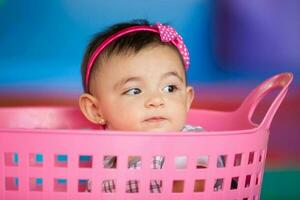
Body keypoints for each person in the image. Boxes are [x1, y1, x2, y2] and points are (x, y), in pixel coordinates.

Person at [78, 19, 222, 193]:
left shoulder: (189, 142)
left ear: (186, 99)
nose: (156, 100)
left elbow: (195, 185)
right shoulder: (104, 160)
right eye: (134, 91)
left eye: (170, 88)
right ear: (95, 110)